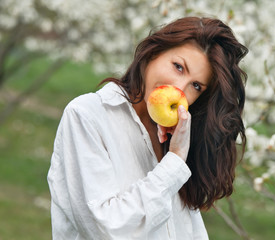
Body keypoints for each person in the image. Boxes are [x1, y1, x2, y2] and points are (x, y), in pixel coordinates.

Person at [47, 16, 248, 239]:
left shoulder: (176, 135)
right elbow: (106, 230)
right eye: (178, 67)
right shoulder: (88, 115)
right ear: (154, 53)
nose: (179, 88)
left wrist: (178, 152)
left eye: (196, 86)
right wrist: (174, 161)